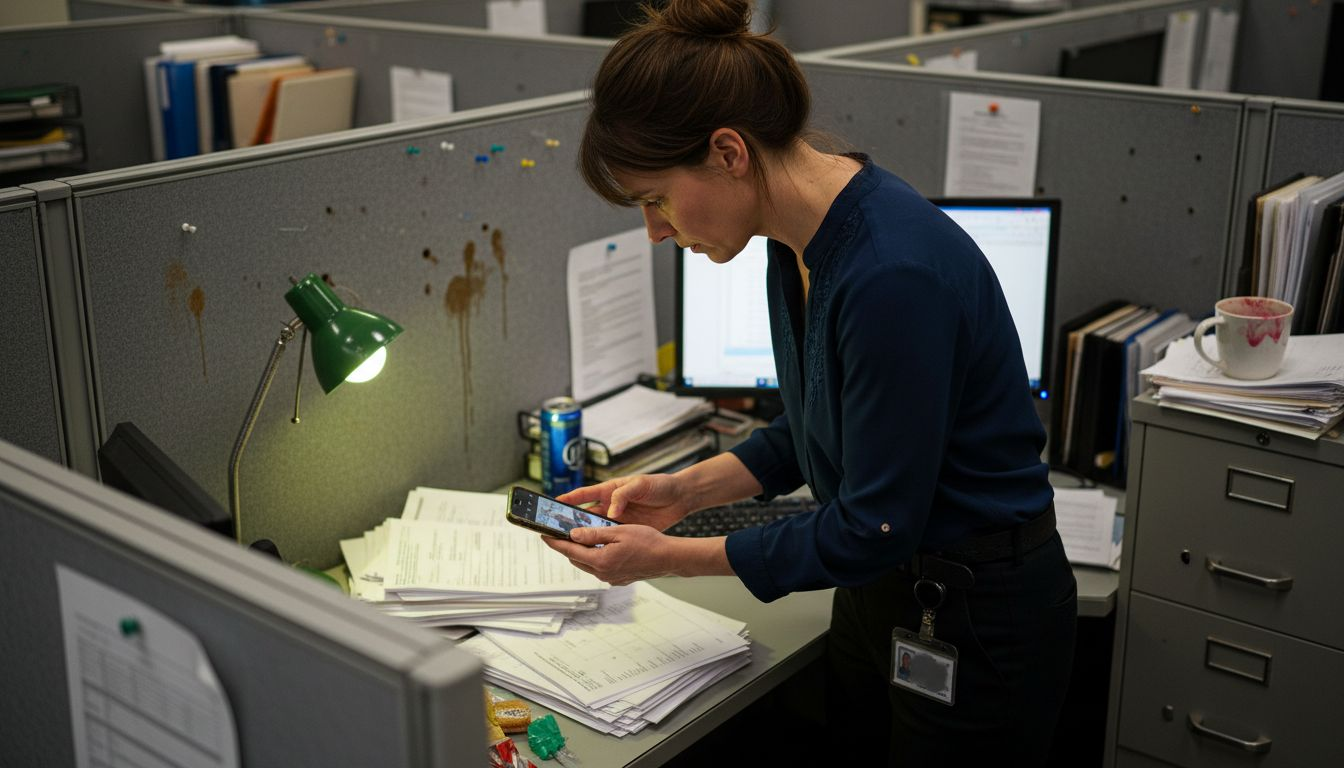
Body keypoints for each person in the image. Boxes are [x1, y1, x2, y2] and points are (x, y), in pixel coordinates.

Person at [542, 0, 1077, 763]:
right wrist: (685, 492)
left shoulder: (890, 273)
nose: (655, 231)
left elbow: (871, 527)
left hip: (975, 613)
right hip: (881, 593)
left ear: (729, 152)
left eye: (655, 199)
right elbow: (817, 421)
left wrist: (664, 556)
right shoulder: (792, 241)